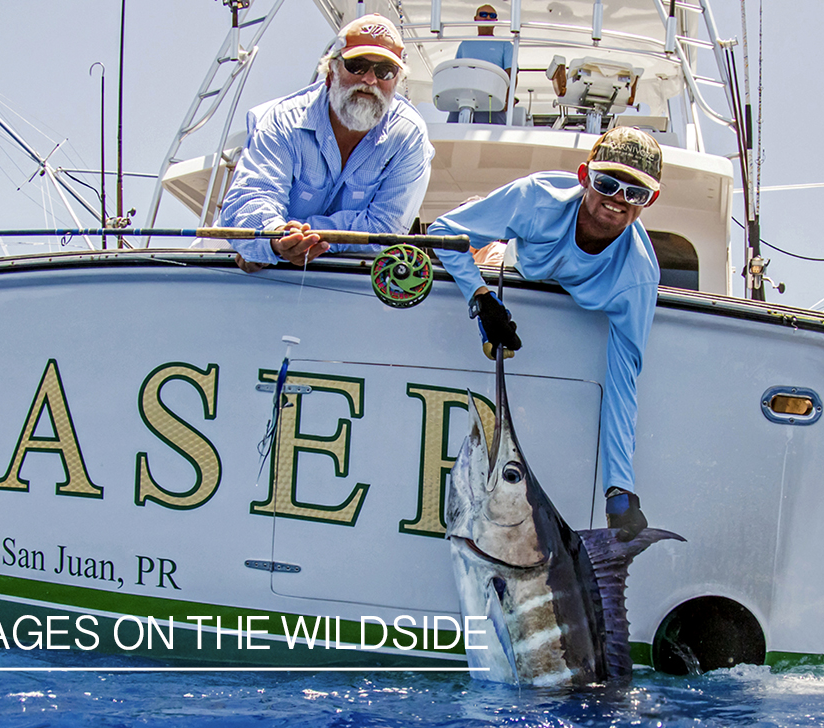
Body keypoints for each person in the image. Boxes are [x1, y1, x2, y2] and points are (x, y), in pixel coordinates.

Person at [430, 126, 663, 541]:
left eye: (635, 193)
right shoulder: (537, 197)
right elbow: (443, 232)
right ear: (583, 175)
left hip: (543, 274)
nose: (617, 201)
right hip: (507, 260)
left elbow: (623, 381)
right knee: (475, 223)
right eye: (608, 183)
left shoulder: (638, 277)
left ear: (651, 201)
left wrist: (619, 488)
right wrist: (481, 298)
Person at [217, 14, 434, 273]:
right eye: (357, 65)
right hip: (263, 273)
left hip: (338, 284)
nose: (370, 79)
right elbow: (250, 198)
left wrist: (296, 238)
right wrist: (275, 236)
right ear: (331, 71)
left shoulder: (410, 135)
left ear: (396, 82)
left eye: (384, 71)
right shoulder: (281, 120)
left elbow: (385, 227)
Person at [447, 5, 513, 125]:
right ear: (476, 18)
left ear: (495, 21)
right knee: (451, 136)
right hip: (464, 101)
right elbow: (456, 72)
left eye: (492, 16)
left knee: (494, 141)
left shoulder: (505, 44)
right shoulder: (464, 44)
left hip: (492, 102)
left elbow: (511, 74)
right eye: (483, 14)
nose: (487, 17)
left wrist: (506, 101)